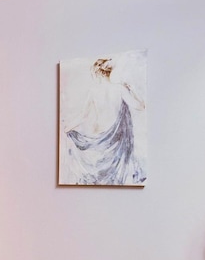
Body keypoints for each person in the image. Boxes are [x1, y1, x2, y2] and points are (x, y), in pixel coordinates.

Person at [63, 56, 146, 185]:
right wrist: (132, 90)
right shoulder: (120, 88)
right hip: (116, 143)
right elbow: (140, 106)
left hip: (98, 141)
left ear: (97, 73)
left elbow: (83, 116)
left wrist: (67, 128)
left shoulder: (94, 91)